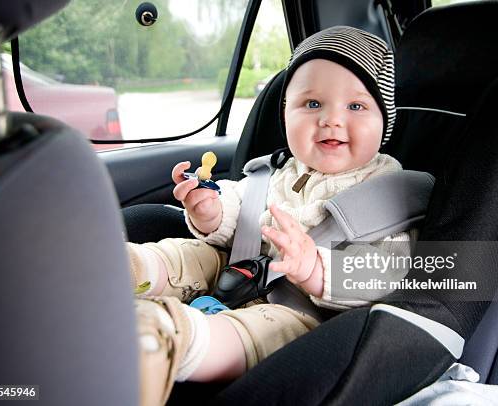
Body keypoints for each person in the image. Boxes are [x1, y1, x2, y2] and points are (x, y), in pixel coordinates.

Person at [129, 26, 413, 405]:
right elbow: (244, 202)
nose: (331, 119)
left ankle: (166, 341)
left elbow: (388, 270)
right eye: (312, 104)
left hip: (304, 311)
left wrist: (314, 269)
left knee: (260, 331)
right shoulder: (283, 169)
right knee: (189, 252)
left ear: (384, 121)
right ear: (286, 113)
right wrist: (211, 211)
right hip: (246, 268)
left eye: (356, 106)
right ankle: (123, 271)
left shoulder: (388, 192)